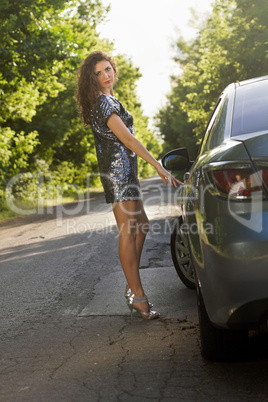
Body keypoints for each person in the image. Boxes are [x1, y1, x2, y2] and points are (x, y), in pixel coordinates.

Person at [76, 51, 181, 320]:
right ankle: (139, 297)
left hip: (126, 173)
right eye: (98, 73)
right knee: (129, 230)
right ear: (92, 79)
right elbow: (129, 141)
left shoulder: (109, 100)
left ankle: (131, 286)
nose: (105, 75)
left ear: (114, 69)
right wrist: (158, 165)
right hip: (118, 174)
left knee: (141, 226)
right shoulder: (102, 104)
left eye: (108, 69)